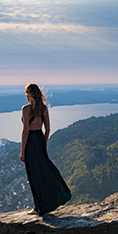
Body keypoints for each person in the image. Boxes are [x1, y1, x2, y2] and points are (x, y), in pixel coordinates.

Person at [20, 83, 71, 215]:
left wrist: (22, 151)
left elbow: (25, 131)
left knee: (34, 174)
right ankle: (59, 194)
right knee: (45, 168)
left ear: (29, 95)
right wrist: (43, 142)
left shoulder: (26, 109)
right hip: (40, 139)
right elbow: (48, 129)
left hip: (31, 140)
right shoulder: (44, 109)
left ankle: (39, 208)